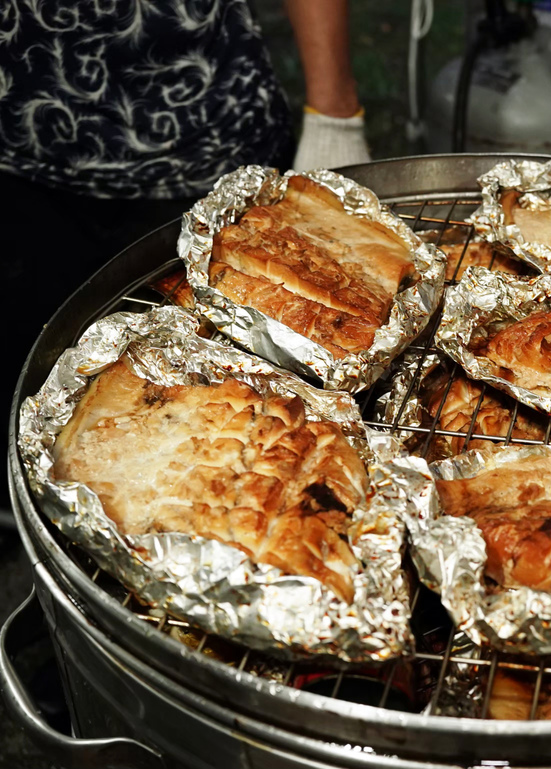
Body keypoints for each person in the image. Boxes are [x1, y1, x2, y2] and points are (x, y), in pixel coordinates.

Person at [0, 0, 369, 524]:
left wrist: (334, 108)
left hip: (202, 141)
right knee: (32, 362)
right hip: (20, 157)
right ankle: (27, 511)